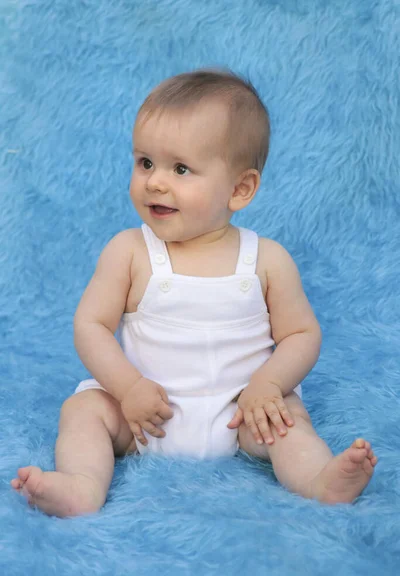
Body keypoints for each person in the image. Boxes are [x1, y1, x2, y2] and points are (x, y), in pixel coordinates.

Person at [11, 69, 377, 517]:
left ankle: (321, 480)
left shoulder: (265, 260)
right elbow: (90, 326)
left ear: (240, 189)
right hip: (144, 417)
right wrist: (127, 389)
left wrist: (268, 384)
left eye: (180, 168)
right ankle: (82, 485)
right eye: (145, 162)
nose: (155, 182)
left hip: (239, 412)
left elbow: (302, 333)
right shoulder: (130, 251)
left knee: (287, 419)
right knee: (84, 409)